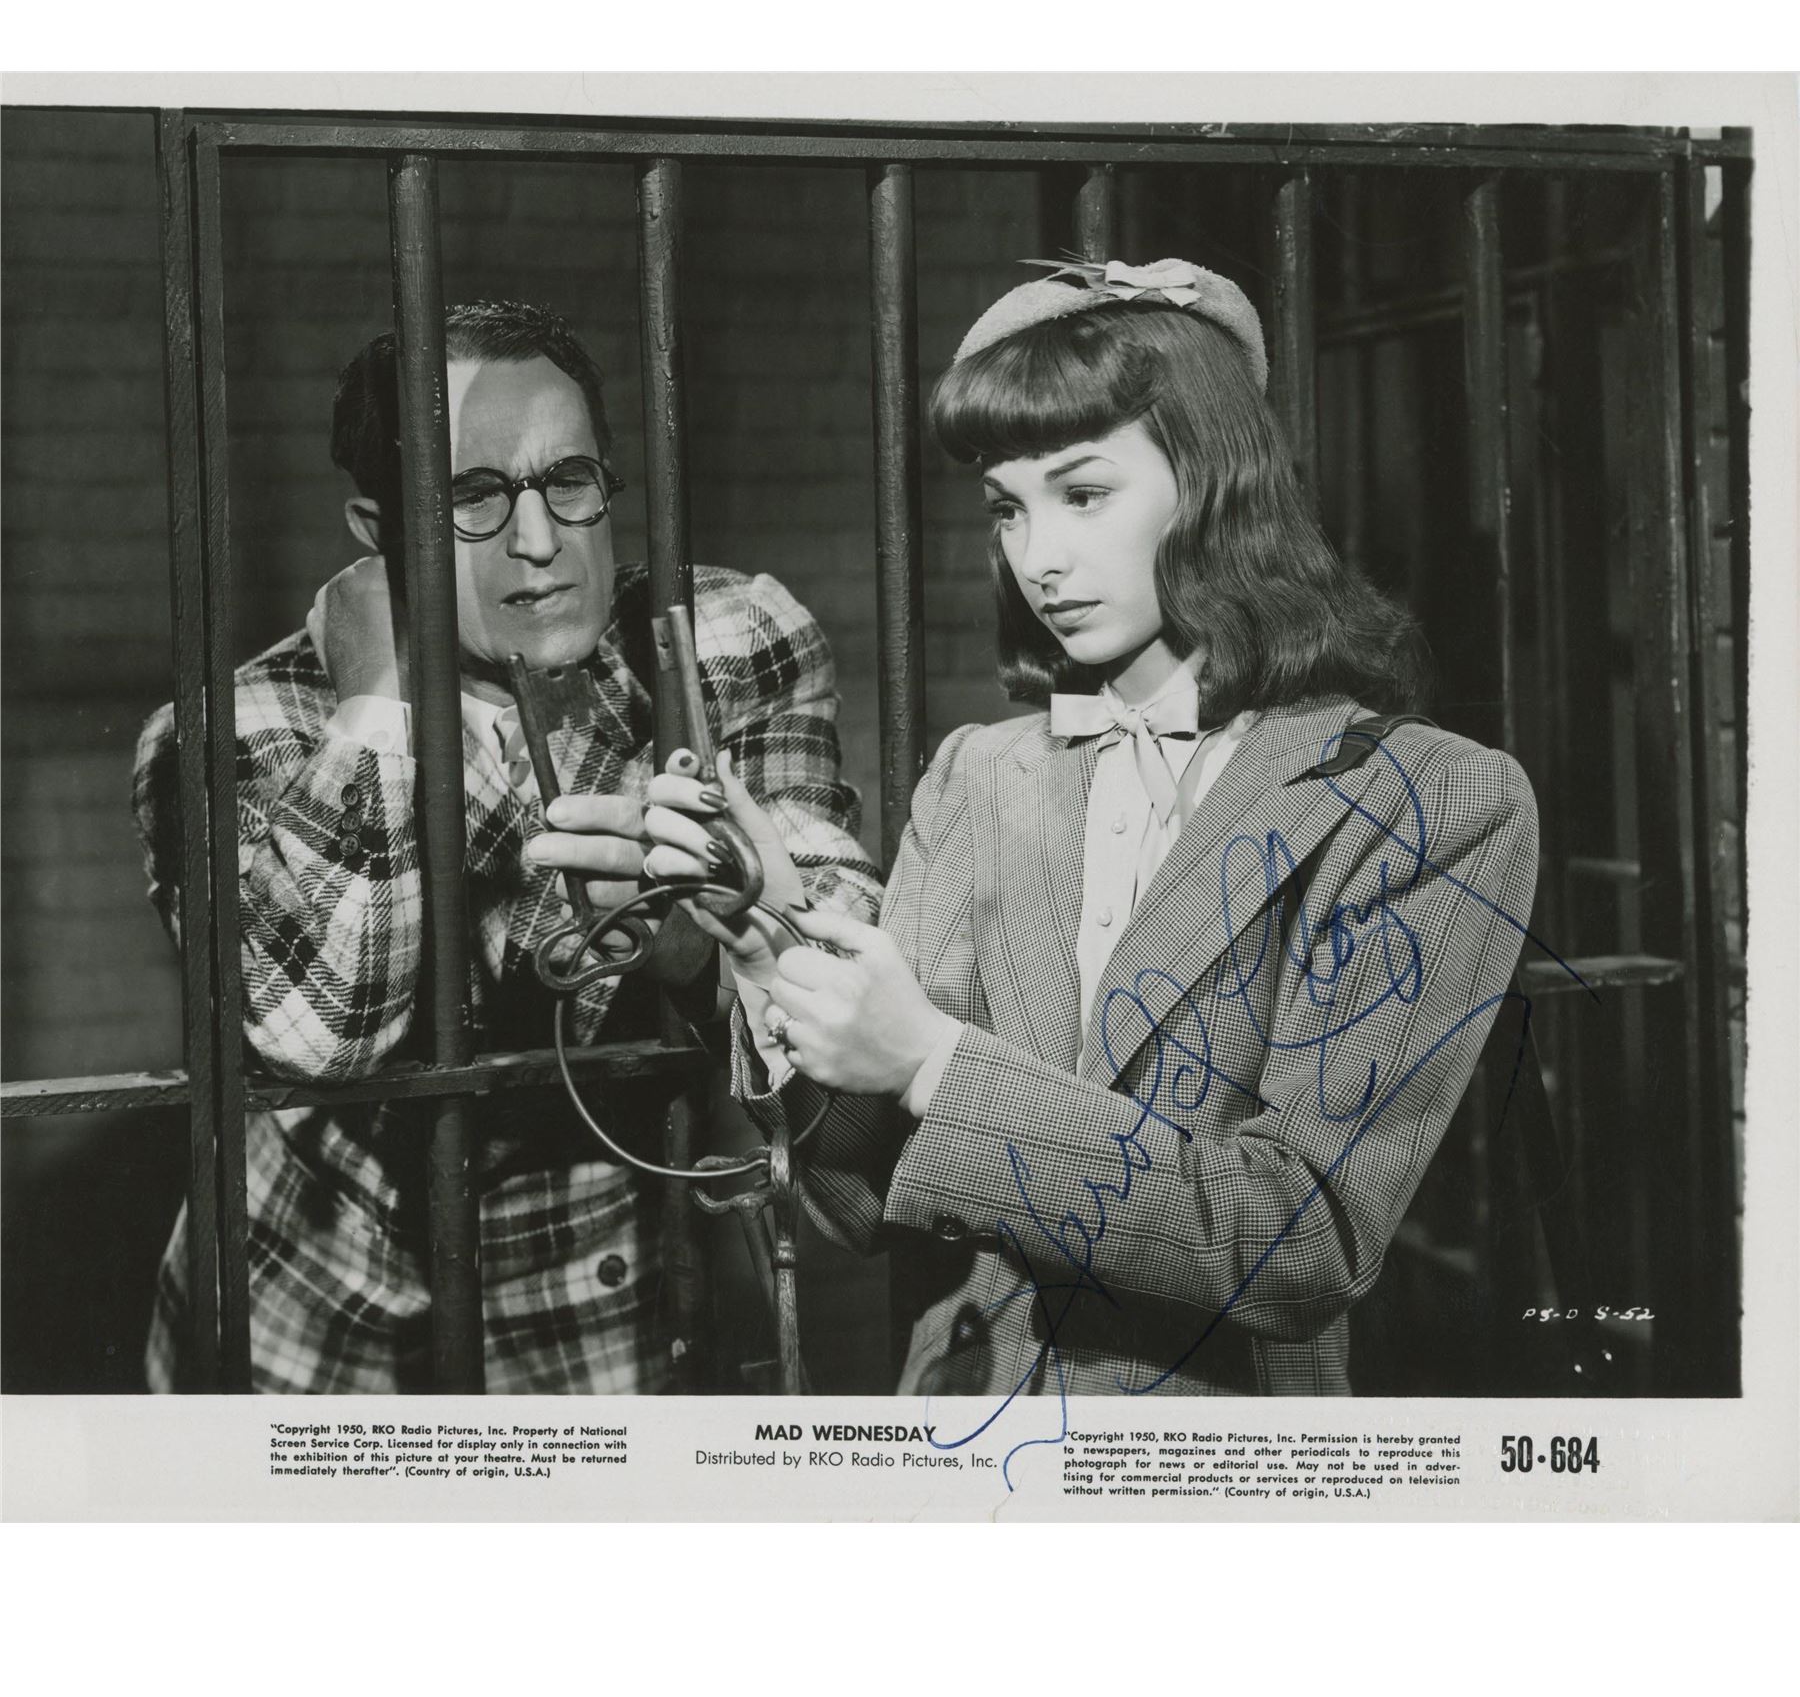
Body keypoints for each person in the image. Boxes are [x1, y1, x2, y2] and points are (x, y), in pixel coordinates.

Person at [636, 257, 1540, 1402]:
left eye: (1083, 493)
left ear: (1214, 481)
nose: (1039, 559)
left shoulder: (1430, 801)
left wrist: (932, 1062)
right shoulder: (980, 774)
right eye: (1008, 508)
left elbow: (1300, 1240)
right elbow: (862, 1205)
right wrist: (775, 945)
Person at [133, 298, 881, 1394]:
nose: (539, 542)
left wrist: (715, 932)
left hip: (613, 1309)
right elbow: (321, 1033)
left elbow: (841, 945)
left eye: (567, 481)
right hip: (319, 1329)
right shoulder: (239, 730)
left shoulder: (723, 643)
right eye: (470, 498)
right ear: (378, 532)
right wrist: (380, 709)